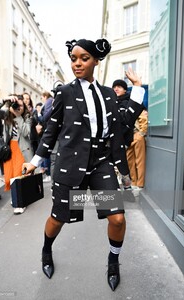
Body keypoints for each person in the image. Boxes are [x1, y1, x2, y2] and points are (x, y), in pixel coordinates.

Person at [23, 38, 145, 291]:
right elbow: (51, 130)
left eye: (84, 58)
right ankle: (46, 250)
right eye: (74, 59)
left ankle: (113, 261)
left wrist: (138, 89)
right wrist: (35, 161)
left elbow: (123, 120)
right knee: (58, 219)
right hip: (70, 164)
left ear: (96, 61)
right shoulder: (64, 92)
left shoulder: (109, 94)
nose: (77, 63)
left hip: (101, 164)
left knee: (118, 219)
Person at [0, 95, 33, 214]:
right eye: (16, 105)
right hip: (9, 149)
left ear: (24, 106)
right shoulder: (6, 115)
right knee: (9, 177)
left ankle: (20, 203)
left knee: (18, 175)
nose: (18, 107)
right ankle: (16, 196)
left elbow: (26, 132)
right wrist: (4, 100)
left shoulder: (27, 117)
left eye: (20, 105)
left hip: (22, 149)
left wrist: (19, 117)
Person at [112, 79, 135, 190]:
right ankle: (126, 189)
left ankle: (127, 189)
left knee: (121, 164)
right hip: (113, 139)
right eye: (114, 87)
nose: (116, 89)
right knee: (120, 164)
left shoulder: (127, 102)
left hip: (123, 138)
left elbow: (127, 123)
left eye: (119, 87)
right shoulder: (112, 101)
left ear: (125, 90)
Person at [126, 108, 148, 196]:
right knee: (129, 160)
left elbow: (144, 119)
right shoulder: (125, 105)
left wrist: (141, 133)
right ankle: (134, 182)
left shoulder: (137, 106)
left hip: (136, 135)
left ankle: (139, 183)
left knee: (139, 160)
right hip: (129, 137)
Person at [40, 91, 54, 182]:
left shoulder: (49, 101)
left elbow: (45, 117)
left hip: (51, 131)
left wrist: (40, 115)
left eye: (42, 97)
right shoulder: (51, 100)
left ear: (45, 96)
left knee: (51, 158)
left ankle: (52, 179)